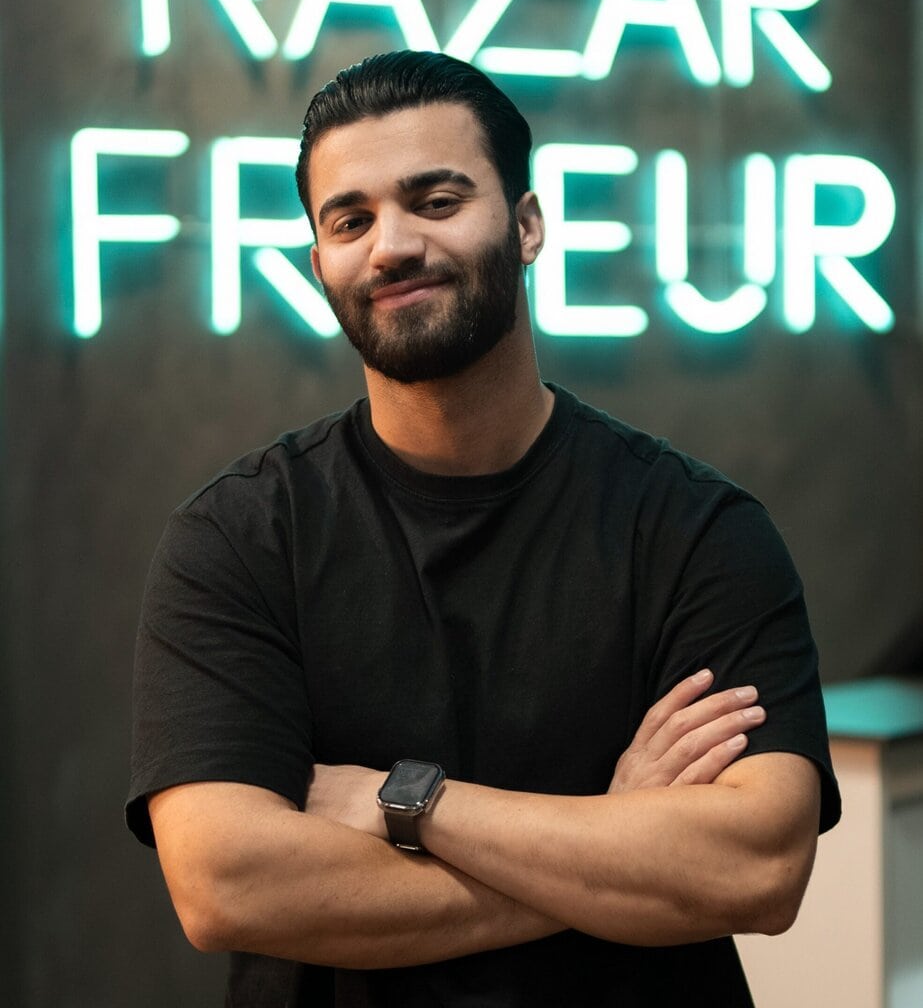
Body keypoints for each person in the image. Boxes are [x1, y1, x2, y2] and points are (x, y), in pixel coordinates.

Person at [127, 50, 840, 1007]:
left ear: (527, 224)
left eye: (435, 200)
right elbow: (227, 886)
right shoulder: (237, 539)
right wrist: (609, 844)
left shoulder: (694, 530)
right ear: (319, 264)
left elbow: (757, 867)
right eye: (350, 220)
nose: (391, 245)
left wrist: (405, 802)